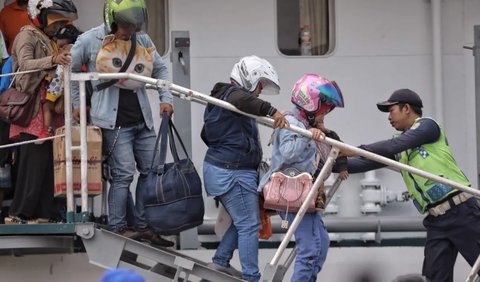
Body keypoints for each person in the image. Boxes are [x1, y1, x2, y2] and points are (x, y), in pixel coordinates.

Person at [343, 89, 480, 282]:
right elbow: (363, 163)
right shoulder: (400, 148)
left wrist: (351, 150)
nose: (389, 117)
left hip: (462, 211)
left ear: (407, 108)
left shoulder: (428, 127)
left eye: (392, 111)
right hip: (436, 221)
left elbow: (393, 146)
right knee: (434, 277)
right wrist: (325, 161)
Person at [71, 0, 174, 247]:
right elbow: (70, 73)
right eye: (126, 25)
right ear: (112, 20)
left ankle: (142, 225)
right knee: (123, 174)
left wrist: (165, 98)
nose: (130, 30)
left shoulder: (143, 39)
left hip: (142, 119)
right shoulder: (88, 40)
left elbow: (161, 69)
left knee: (150, 173)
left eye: (134, 25)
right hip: (112, 121)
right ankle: (119, 226)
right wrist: (77, 104)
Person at [201, 55, 288, 282]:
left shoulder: (228, 101)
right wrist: (272, 111)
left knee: (246, 222)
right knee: (249, 224)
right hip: (232, 172)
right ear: (249, 79)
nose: (259, 92)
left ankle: (221, 260)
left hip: (230, 170)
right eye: (260, 85)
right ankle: (252, 277)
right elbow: (243, 99)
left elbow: (206, 135)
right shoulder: (231, 95)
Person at [258, 73, 345, 282]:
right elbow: (288, 153)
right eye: (323, 107)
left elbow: (327, 153)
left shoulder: (306, 124)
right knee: (309, 248)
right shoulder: (290, 121)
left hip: (304, 194)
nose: (325, 112)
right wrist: (309, 137)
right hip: (290, 193)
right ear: (311, 102)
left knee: (321, 243)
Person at [4, 0, 78, 224]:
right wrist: (54, 59)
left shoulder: (47, 38)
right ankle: (20, 212)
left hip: (49, 103)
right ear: (40, 14)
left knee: (48, 162)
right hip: (35, 105)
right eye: (55, 21)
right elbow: (25, 65)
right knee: (33, 162)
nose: (57, 28)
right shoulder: (26, 35)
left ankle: (47, 212)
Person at [41, 24, 81, 139]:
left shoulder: (71, 58)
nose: (61, 51)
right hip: (64, 92)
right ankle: (47, 131)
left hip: (71, 94)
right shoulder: (64, 58)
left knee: (48, 107)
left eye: (64, 46)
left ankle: (46, 130)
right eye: (59, 48)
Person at [313, 114, 348, 211]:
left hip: (324, 163)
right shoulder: (307, 132)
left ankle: (320, 197)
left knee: (320, 177)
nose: (319, 126)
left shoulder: (330, 135)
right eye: (317, 123)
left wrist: (343, 168)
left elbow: (340, 150)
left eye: (321, 122)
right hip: (310, 164)